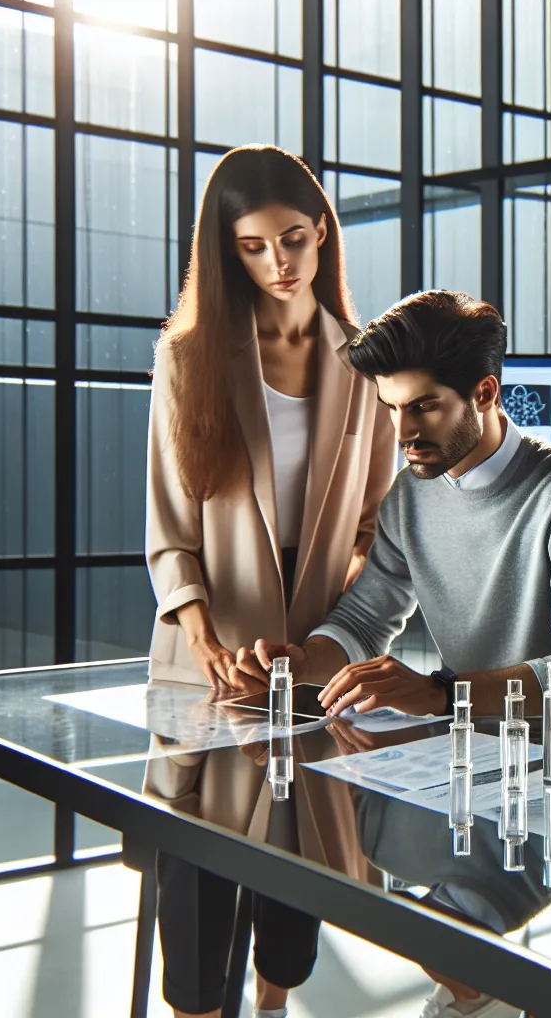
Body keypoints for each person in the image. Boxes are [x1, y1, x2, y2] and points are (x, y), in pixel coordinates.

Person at [144, 145, 393, 1018]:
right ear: (228, 252)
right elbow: (170, 531)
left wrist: (337, 633)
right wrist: (208, 643)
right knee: (198, 920)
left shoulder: (363, 366)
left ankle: (274, 1008)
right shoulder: (189, 358)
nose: (279, 263)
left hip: (311, 669)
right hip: (213, 669)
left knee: (292, 916)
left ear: (322, 232)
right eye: (254, 247)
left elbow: (375, 527)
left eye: (293, 239)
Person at [241, 289, 551, 722]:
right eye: (391, 407)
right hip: (462, 749)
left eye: (424, 407)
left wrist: (441, 693)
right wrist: (300, 665)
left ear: (484, 394)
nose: (403, 432)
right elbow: (363, 622)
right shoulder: (408, 494)